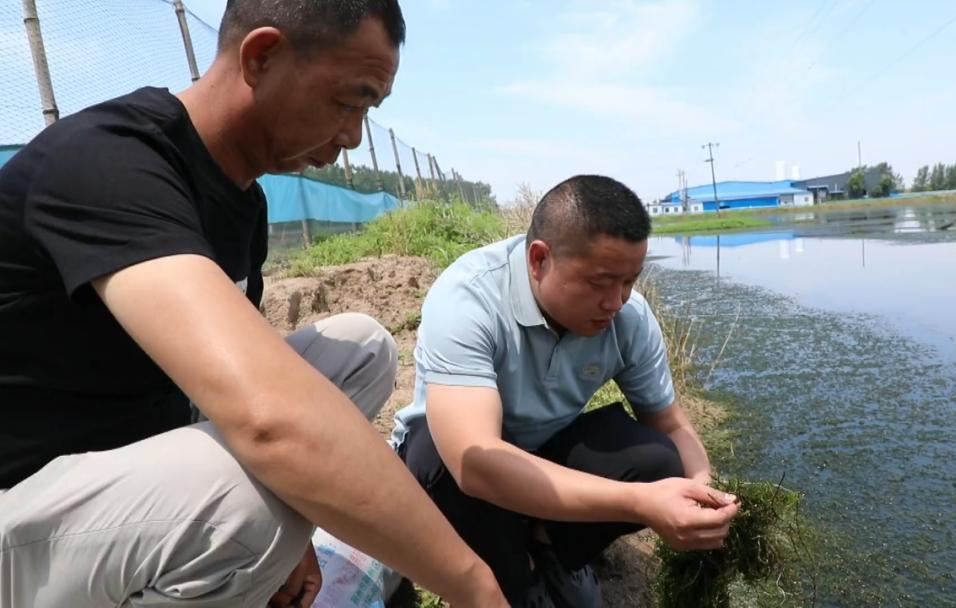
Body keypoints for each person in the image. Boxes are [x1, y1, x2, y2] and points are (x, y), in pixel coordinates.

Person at [0, 1, 507, 607]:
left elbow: (250, 383)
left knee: (363, 347)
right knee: (244, 510)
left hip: (118, 476)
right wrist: (473, 585)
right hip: (22, 505)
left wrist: (302, 526)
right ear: (262, 57)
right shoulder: (108, 162)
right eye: (350, 102)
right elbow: (269, 422)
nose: (353, 136)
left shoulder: (243, 202)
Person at [391, 175, 740, 607]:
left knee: (660, 458)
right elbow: (472, 462)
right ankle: (516, 575)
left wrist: (704, 488)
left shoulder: (629, 317)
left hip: (541, 454)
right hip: (454, 471)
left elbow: (669, 423)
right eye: (600, 282)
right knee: (440, 455)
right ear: (539, 259)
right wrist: (640, 502)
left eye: (630, 281)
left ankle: (549, 546)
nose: (616, 301)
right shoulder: (469, 299)